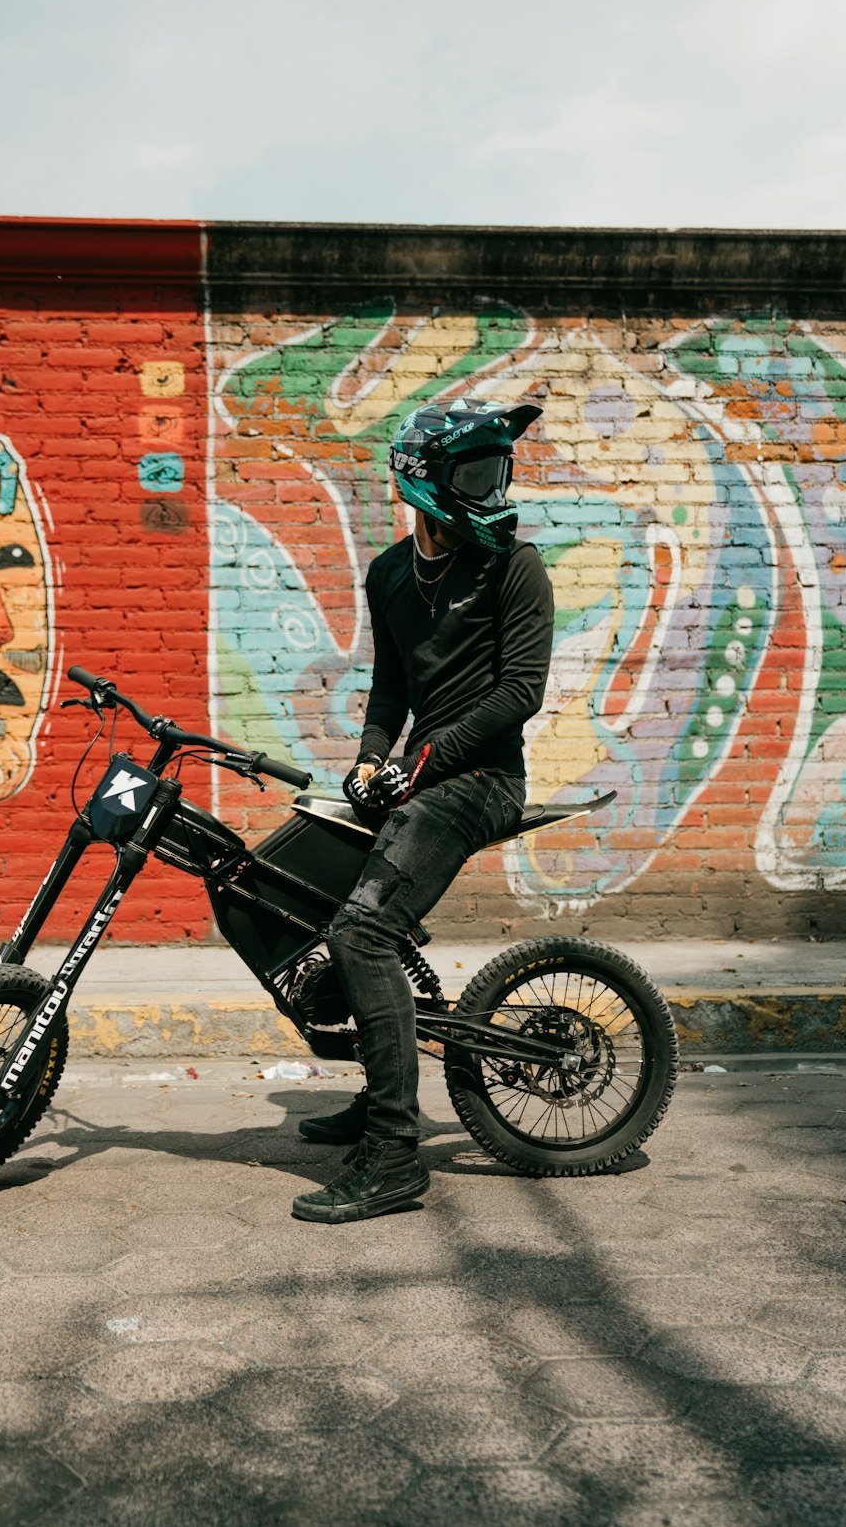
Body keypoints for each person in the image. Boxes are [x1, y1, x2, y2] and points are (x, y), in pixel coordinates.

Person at [291, 396, 555, 1224]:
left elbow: (521, 692)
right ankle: (381, 1098)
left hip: (481, 781)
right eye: (474, 472)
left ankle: (395, 1154)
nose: (492, 487)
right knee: (328, 897)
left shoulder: (516, 565)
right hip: (417, 775)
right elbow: (393, 687)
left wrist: (424, 760)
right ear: (423, 482)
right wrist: (372, 755)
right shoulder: (389, 574)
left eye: (495, 470)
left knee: (362, 933)